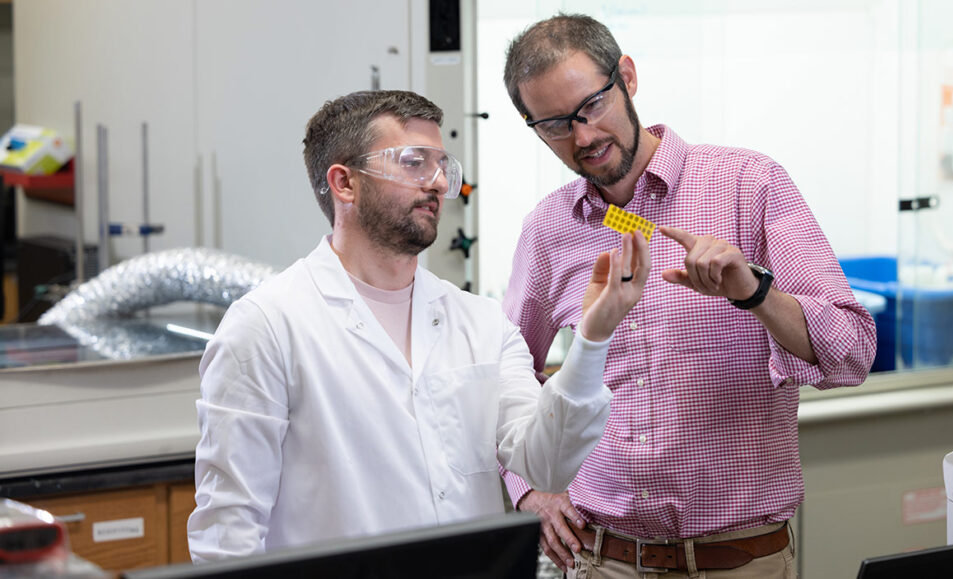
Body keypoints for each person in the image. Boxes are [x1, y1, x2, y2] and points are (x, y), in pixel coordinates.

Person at [186, 89, 651, 563]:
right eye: (413, 162)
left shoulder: (480, 323)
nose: (436, 183)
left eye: (441, 165)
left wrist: (592, 340)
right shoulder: (266, 327)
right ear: (344, 183)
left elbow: (547, 465)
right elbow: (228, 532)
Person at [500, 14, 877, 578]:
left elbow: (852, 352)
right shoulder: (551, 229)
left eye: (591, 108)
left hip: (739, 559)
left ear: (626, 77)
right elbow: (503, 375)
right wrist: (529, 487)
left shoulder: (750, 185)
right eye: (554, 125)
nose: (582, 138)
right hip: (602, 559)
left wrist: (754, 293)